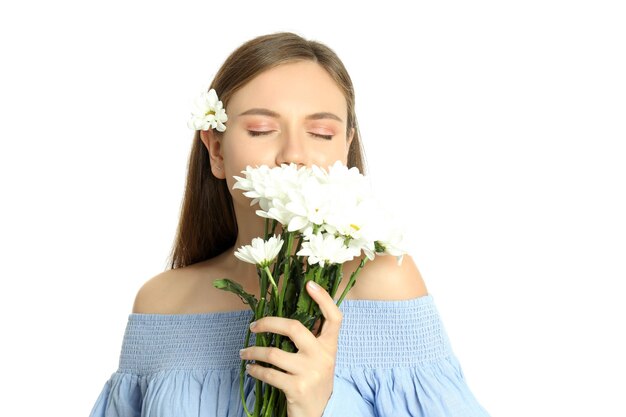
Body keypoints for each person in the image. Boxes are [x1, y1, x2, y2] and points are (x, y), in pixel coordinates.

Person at [88, 31, 490, 417]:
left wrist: (321, 405)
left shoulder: (387, 284)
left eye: (320, 132)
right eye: (262, 130)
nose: (294, 155)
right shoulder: (161, 305)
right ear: (216, 149)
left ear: (345, 149)